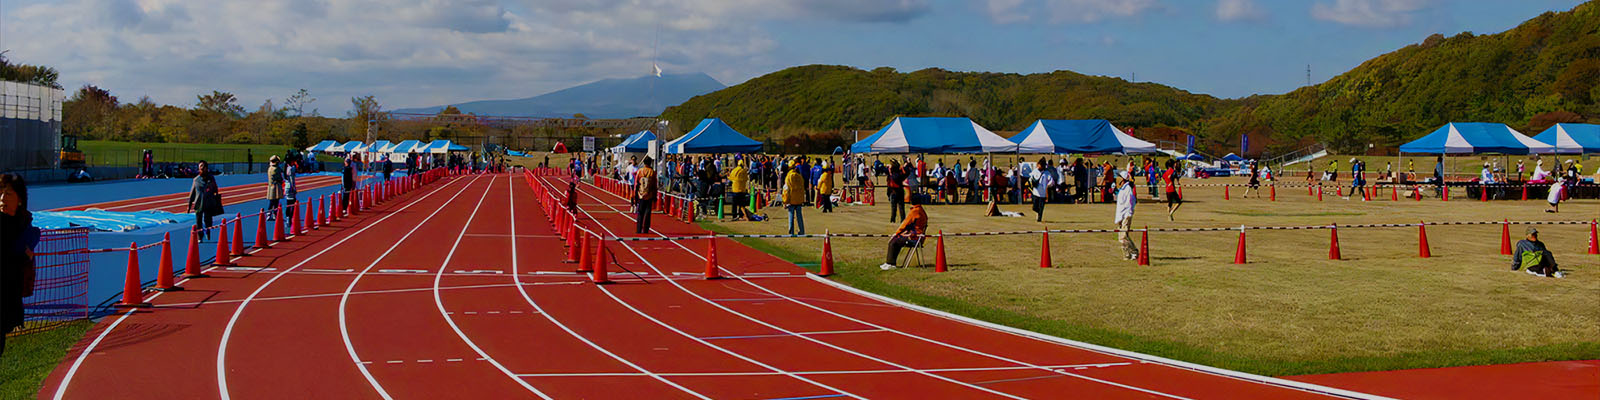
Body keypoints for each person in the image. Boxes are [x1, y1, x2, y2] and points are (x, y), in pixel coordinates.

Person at [1, 174, 41, 358]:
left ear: (19, 200)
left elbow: (33, 237)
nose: (2, 198)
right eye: (0, 193)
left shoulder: (24, 225)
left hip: (10, 295)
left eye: (8, 194)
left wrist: (26, 253)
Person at [879, 197, 927, 270]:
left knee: (893, 242)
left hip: (914, 238)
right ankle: (891, 263)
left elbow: (905, 224)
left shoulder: (915, 211)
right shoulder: (921, 210)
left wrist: (897, 233)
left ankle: (890, 263)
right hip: (919, 238)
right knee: (897, 241)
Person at [187, 161, 224, 241]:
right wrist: (189, 205)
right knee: (198, 221)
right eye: (200, 167)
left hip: (208, 203)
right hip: (198, 203)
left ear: (206, 168)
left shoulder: (211, 178)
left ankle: (208, 232)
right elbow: (192, 193)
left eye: (203, 166)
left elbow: (215, 189)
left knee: (208, 220)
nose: (201, 168)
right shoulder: (196, 180)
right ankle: (200, 236)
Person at [1114, 171, 1138, 261]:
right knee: (1122, 236)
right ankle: (1127, 254)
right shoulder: (1122, 189)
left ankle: (1134, 252)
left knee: (1123, 236)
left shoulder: (1127, 189)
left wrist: (1127, 216)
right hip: (1121, 216)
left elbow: (1130, 203)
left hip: (1126, 215)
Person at [633, 157, 657, 234]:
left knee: (640, 212)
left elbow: (636, 183)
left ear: (644, 163)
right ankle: (646, 229)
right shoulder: (652, 172)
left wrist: (635, 195)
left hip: (641, 194)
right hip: (649, 194)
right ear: (650, 163)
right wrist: (655, 195)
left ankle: (638, 229)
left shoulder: (640, 171)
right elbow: (654, 185)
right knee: (647, 213)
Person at [782, 162, 806, 235]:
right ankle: (802, 231)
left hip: (791, 199)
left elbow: (786, 189)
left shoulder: (788, 176)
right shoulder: (799, 176)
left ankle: (791, 232)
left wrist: (785, 201)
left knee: (791, 216)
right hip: (799, 199)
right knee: (799, 217)